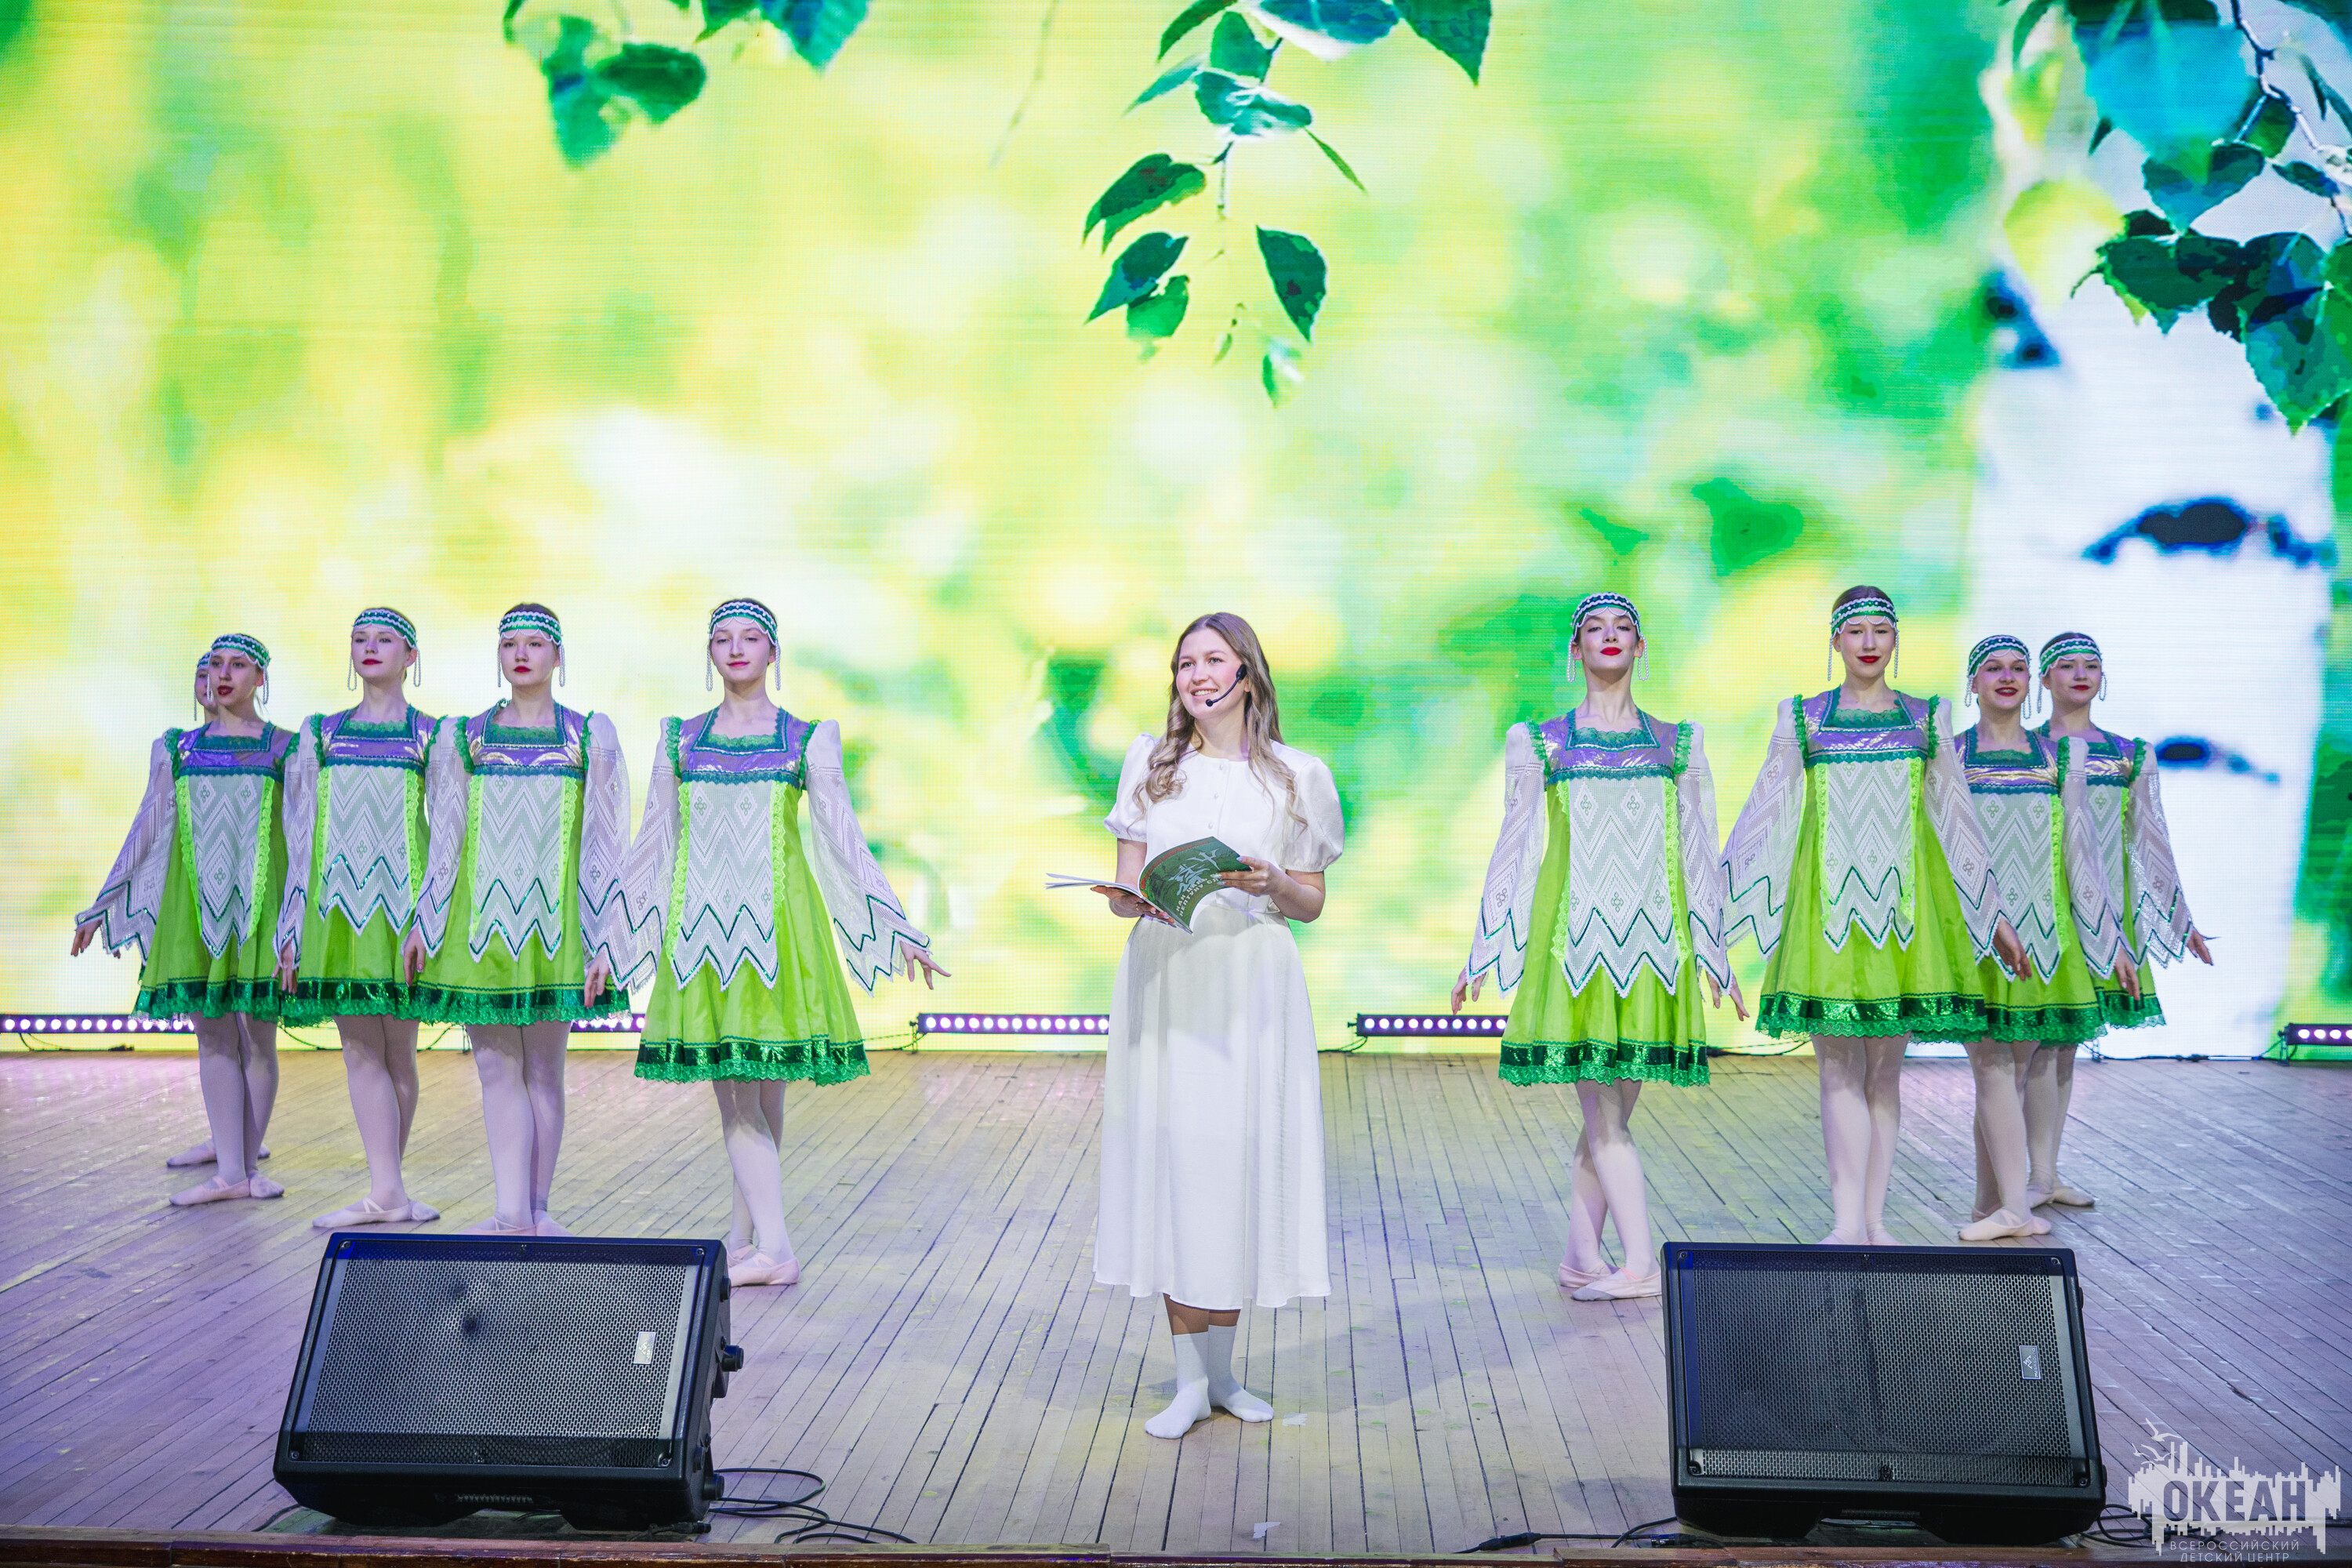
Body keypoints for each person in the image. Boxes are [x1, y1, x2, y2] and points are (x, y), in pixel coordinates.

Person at [616, 597, 943, 1288]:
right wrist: (616, 936)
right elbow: (654, 843)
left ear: (773, 652)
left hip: (779, 928)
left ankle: (776, 1250)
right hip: (702, 932)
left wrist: (897, 926)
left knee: (750, 1095)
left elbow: (842, 838)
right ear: (710, 652)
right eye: (722, 638)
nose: (736, 648)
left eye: (751, 638)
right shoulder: (681, 740)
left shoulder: (805, 738)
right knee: (748, 1095)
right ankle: (745, 1238)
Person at [1094, 612, 1344, 1439]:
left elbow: (1310, 901)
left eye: (1212, 659)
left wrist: (1274, 882)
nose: (1196, 675)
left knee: (1234, 1162)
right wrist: (1127, 899)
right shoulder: (1152, 764)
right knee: (1176, 1163)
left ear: (1247, 672)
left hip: (1250, 977)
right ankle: (1189, 1381)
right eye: (1184, 663)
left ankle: (1225, 1374)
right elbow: (1130, 883)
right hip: (1170, 974)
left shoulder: (1298, 775)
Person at [1453, 592, 1742, 1300]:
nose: (1608, 636)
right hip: (1575, 948)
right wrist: (1486, 946)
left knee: (1609, 1117)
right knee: (1605, 1117)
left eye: (1623, 627)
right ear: (1575, 648)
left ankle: (1582, 1258)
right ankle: (1640, 1264)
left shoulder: (1677, 743)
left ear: (1641, 647)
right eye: (1593, 627)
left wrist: (1714, 948)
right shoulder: (1542, 742)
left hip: (1654, 949)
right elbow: (1516, 848)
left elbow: (1699, 850)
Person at [1722, 586, 2030, 1245]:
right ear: (1835, 641)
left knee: (1886, 1075)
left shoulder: (1927, 718)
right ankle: (1844, 1225)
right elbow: (1765, 812)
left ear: (1895, 640)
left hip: (1908, 915)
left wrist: (1993, 913)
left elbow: (1957, 820)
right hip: (1827, 911)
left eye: (1880, 631)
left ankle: (1873, 1221)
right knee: (1838, 1069)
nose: (1868, 642)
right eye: (1855, 630)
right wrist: (1716, 912)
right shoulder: (1803, 717)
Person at [403, 604, 631, 1236]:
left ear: (558, 655)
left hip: (557, 924)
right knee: (495, 1067)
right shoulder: (466, 737)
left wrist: (608, 935)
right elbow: (446, 839)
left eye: (535, 644)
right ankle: (511, 1212)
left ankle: (537, 1208)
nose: (522, 655)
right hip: (480, 924)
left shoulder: (587, 735)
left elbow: (606, 841)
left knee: (544, 1070)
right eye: (510, 645)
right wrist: (426, 918)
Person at [76, 634, 292, 1206]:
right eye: (216, 664)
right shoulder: (178, 748)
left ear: (260, 678)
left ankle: (248, 1164)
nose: (223, 675)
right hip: (194, 904)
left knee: (258, 1037)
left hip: (260, 905)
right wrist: (102, 902)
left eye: (238, 665)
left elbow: (302, 833)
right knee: (213, 1037)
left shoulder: (286, 747)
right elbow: (148, 823)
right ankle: (230, 1172)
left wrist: (295, 921)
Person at [1952, 635, 2137, 1241]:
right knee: (1991, 1066)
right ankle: (2004, 1205)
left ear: (2030, 682)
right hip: (1976, 929)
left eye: (2017, 669)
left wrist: (2109, 940)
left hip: (2042, 938)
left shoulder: (2060, 756)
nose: (2007, 677)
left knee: (2009, 1071)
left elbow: (2082, 854)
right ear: (1973, 682)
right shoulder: (1951, 753)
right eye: (1993, 669)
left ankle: (1999, 1204)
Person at [2026, 631, 2212, 1209]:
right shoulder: (2025, 750)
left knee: (2065, 1044)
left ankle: (2045, 1174)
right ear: (2045, 678)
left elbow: (2150, 840)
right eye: (2067, 666)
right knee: (2033, 1043)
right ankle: (2025, 1177)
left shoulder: (2129, 754)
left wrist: (2180, 918)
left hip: (2103, 910)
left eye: (2091, 666)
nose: (2081, 675)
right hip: (2041, 907)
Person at [278, 607, 441, 1229]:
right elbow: (299, 835)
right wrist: (291, 924)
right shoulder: (321, 734)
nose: (370, 648)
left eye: (385, 639)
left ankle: (388, 1190)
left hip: (404, 909)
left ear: (410, 656)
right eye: (360, 639)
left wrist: (431, 913)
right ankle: (387, 1190)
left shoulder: (432, 735)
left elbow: (448, 833)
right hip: (338, 908)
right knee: (359, 1050)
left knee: (400, 1050)